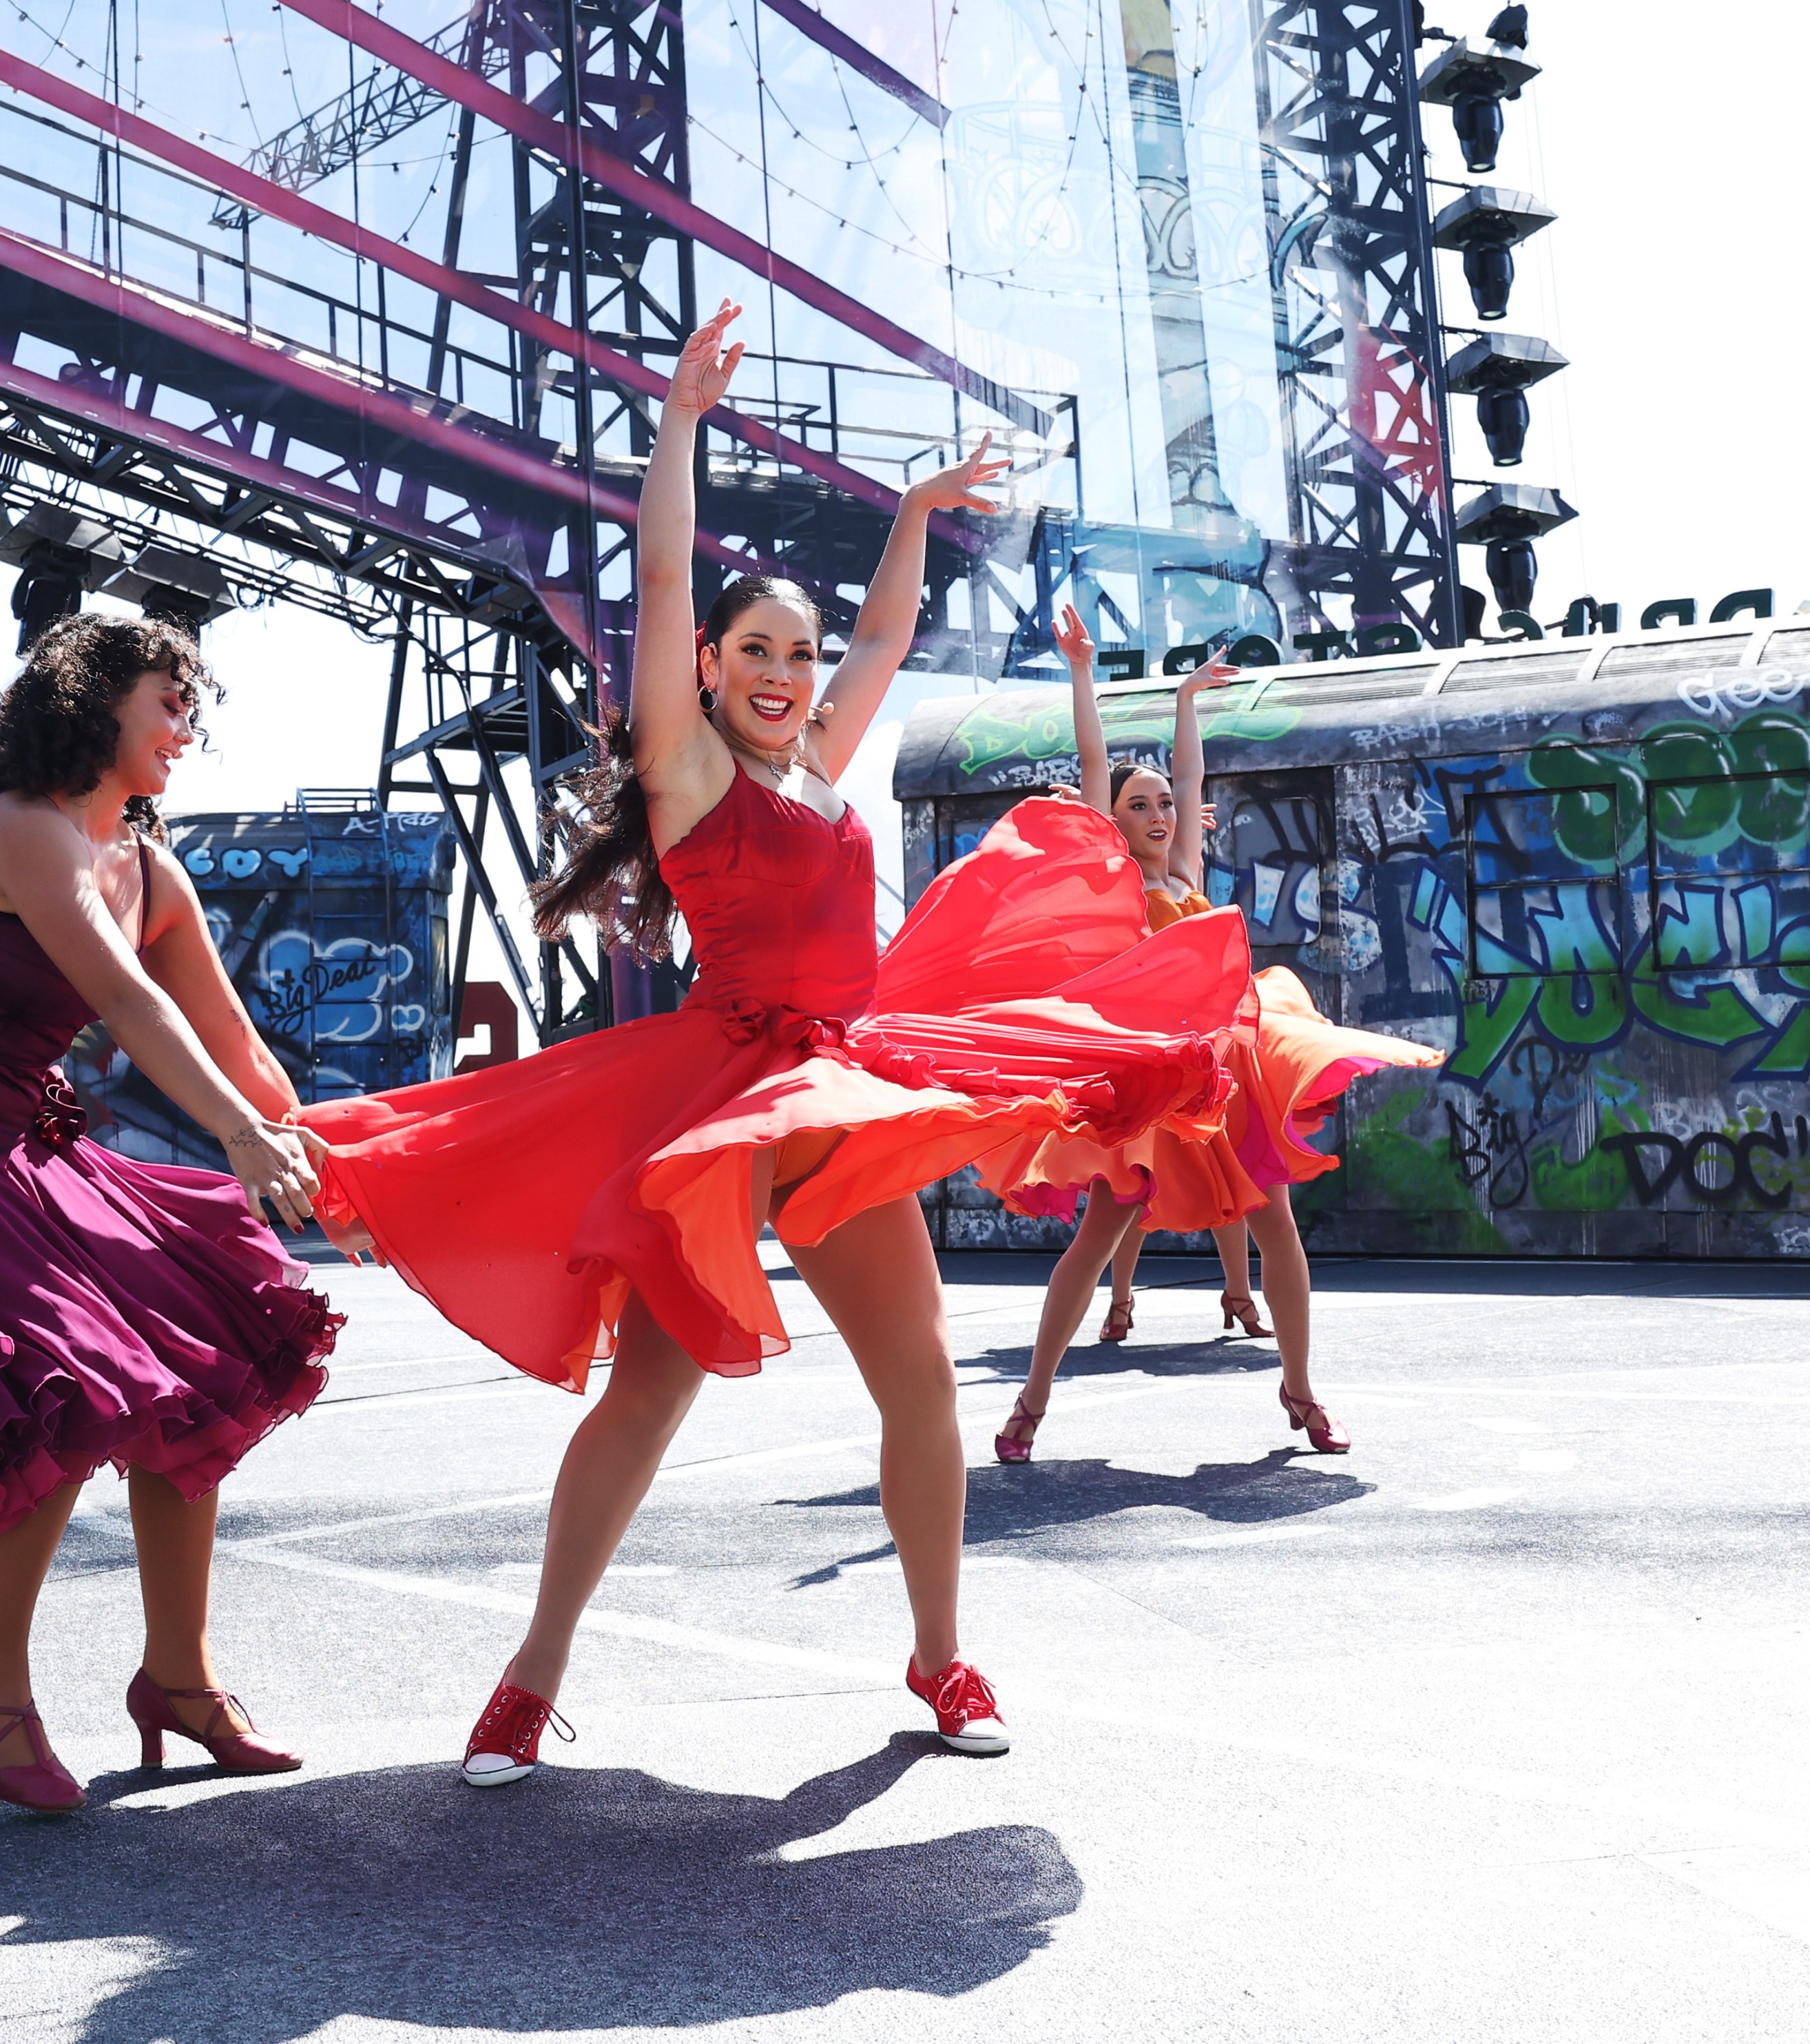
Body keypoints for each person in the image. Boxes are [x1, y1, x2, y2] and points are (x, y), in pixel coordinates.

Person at [303, 302, 1244, 1785]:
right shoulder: (684, 767)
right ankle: (529, 1679)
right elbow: (662, 571)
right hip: (725, 1094)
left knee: (919, 1381)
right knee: (651, 1393)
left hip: (846, 1085)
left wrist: (915, 512)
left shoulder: (818, 761)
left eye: (799, 655)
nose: (790, 672)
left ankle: (939, 1654)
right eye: (759, 649)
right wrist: (679, 422)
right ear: (709, 660)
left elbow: (885, 634)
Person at [0, 612, 343, 1817]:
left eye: (193, 709)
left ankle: (180, 1680)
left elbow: (234, 1041)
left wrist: (327, 1165)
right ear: (96, 704)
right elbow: (128, 1000)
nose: (185, 729)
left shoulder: (152, 868)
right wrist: (241, 1140)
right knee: (64, 1389)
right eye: (168, 703)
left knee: (209, 1356)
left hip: (11, 1134)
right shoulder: (26, 829)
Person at [986, 606, 1439, 1463]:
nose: (1160, 812)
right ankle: (1030, 1401)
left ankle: (1299, 1388)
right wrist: (1080, 670)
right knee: (1095, 1239)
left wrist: (1186, 700)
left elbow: (1193, 775)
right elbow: (1093, 765)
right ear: (1112, 820)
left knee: (1278, 1225)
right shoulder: (1112, 881)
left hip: (1224, 1071)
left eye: (1165, 802)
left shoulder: (1186, 873)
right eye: (1139, 805)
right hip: (1149, 1080)